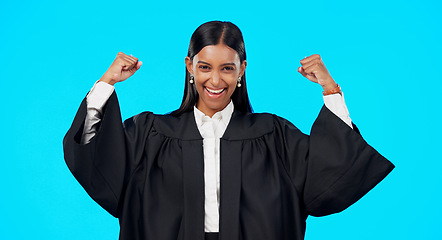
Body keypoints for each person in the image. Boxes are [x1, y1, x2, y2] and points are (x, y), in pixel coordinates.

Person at [63, 21, 394, 240]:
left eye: (227, 68)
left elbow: (332, 174)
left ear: (242, 71)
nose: (216, 80)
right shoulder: (150, 133)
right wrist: (107, 83)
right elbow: (97, 162)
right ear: (190, 66)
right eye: (205, 67)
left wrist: (330, 89)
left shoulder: (273, 134)